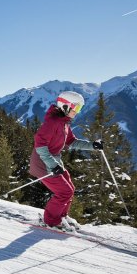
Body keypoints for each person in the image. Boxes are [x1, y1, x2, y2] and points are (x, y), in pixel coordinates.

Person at [29, 91, 103, 230]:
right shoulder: (52, 122)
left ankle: (61, 216)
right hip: (43, 163)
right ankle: (50, 221)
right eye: (76, 108)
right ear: (65, 106)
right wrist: (52, 165)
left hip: (54, 161)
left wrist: (93, 146)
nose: (77, 111)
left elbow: (72, 141)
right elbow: (40, 144)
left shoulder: (64, 123)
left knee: (70, 188)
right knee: (64, 191)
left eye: (79, 108)